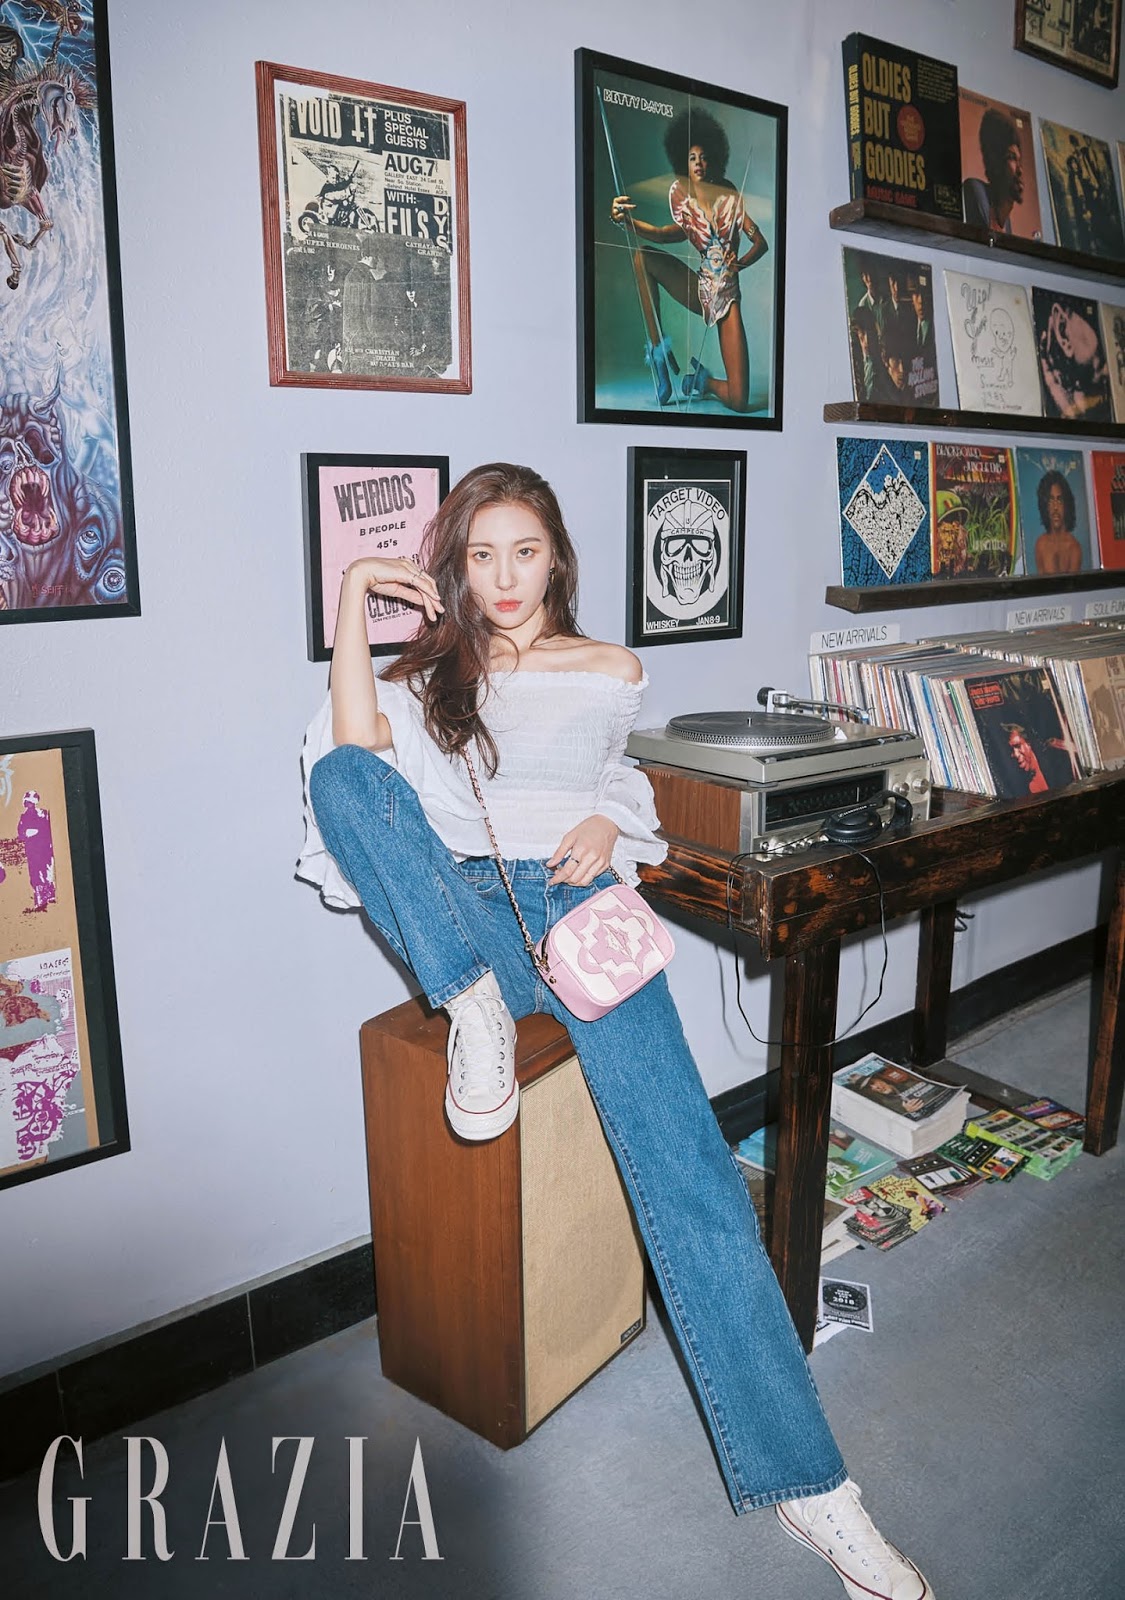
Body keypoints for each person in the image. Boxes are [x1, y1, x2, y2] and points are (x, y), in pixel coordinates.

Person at [299, 462, 936, 1600]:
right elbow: (355, 770)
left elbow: (619, 788)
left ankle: (812, 1486)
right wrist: (353, 596)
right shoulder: (432, 677)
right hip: (470, 916)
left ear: (557, 558)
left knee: (691, 1173)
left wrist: (602, 818)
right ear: (455, 568)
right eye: (480, 555)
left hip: (578, 911)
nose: (504, 577)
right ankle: (472, 1005)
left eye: (524, 551)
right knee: (343, 773)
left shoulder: (609, 667)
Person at [608, 107, 768, 413]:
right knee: (643, 258)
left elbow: (761, 243)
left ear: (714, 159)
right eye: (692, 157)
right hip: (699, 289)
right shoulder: (684, 201)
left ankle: (703, 382)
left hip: (728, 298)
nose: (698, 163)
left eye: (704, 157)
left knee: (739, 401)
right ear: (685, 162)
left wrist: (739, 264)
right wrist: (626, 222)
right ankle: (659, 356)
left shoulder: (730, 197)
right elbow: (664, 234)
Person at [962, 107, 1026, 234]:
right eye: (1011, 158)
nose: (1020, 170)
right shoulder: (975, 190)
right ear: (995, 163)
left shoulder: (1006, 222)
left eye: (1019, 160)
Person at [1032, 470, 1084, 574]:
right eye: (1051, 500)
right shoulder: (1041, 545)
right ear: (1045, 506)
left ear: (1066, 505)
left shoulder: (1074, 547)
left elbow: (1073, 583)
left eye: (1059, 500)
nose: (1055, 507)